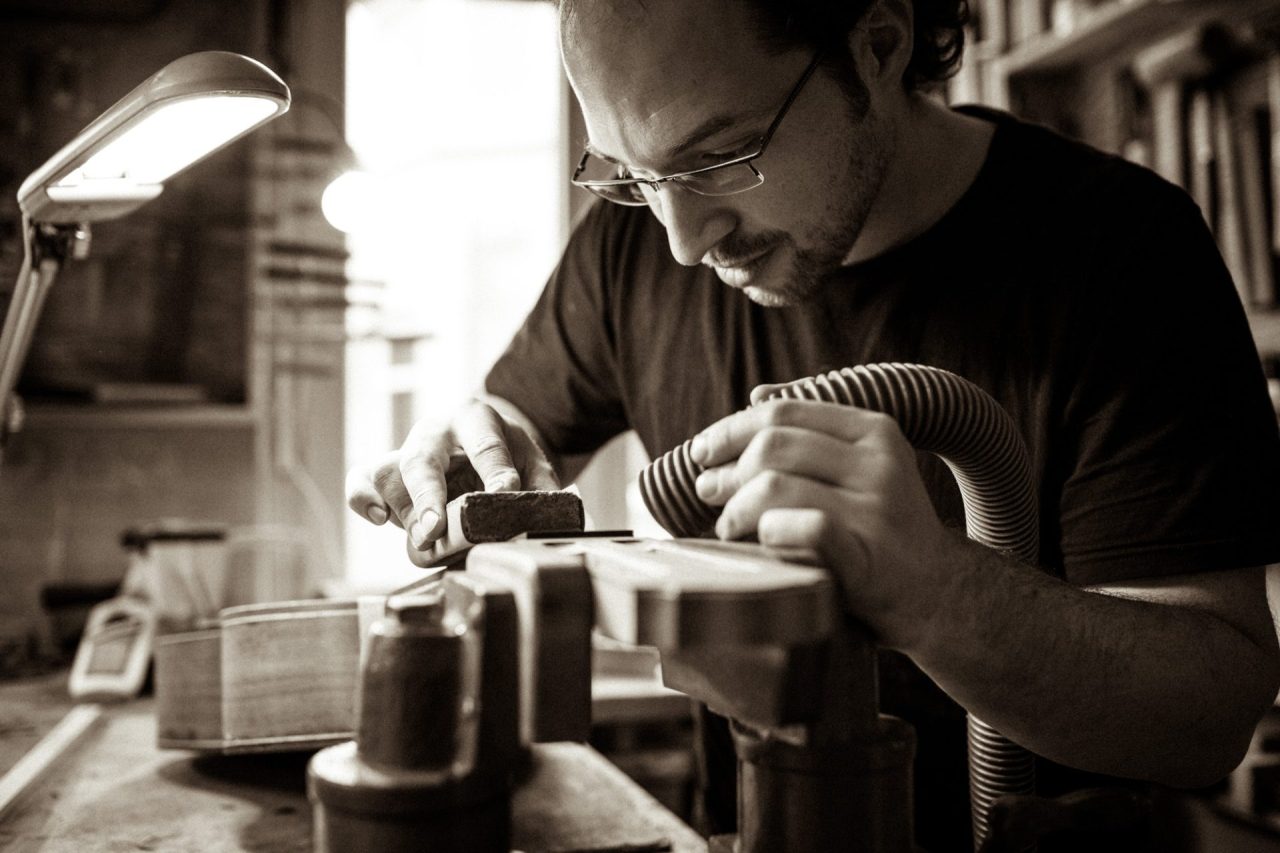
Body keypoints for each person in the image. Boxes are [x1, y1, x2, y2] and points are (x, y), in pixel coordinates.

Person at [346, 0, 1280, 848]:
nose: (683, 238)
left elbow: (1209, 716)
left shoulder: (1123, 253)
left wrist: (937, 593)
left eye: (720, 157)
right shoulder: (631, 248)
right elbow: (516, 437)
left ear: (877, 44)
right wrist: (474, 456)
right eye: (632, 174)